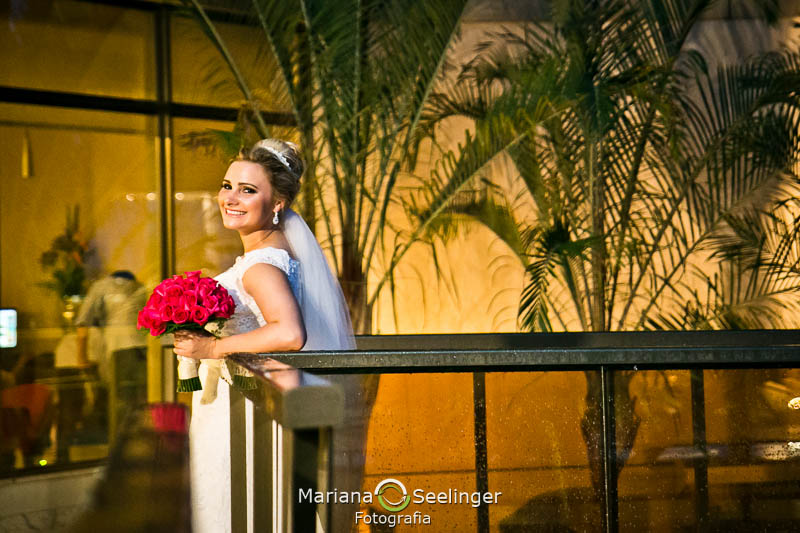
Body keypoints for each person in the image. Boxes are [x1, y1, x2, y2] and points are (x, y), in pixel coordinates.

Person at [173, 139, 360, 533]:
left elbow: (290, 332)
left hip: (242, 412)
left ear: (277, 203)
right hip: (249, 404)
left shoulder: (261, 266)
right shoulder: (274, 252)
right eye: (227, 186)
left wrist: (213, 347)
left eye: (247, 190)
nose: (230, 198)